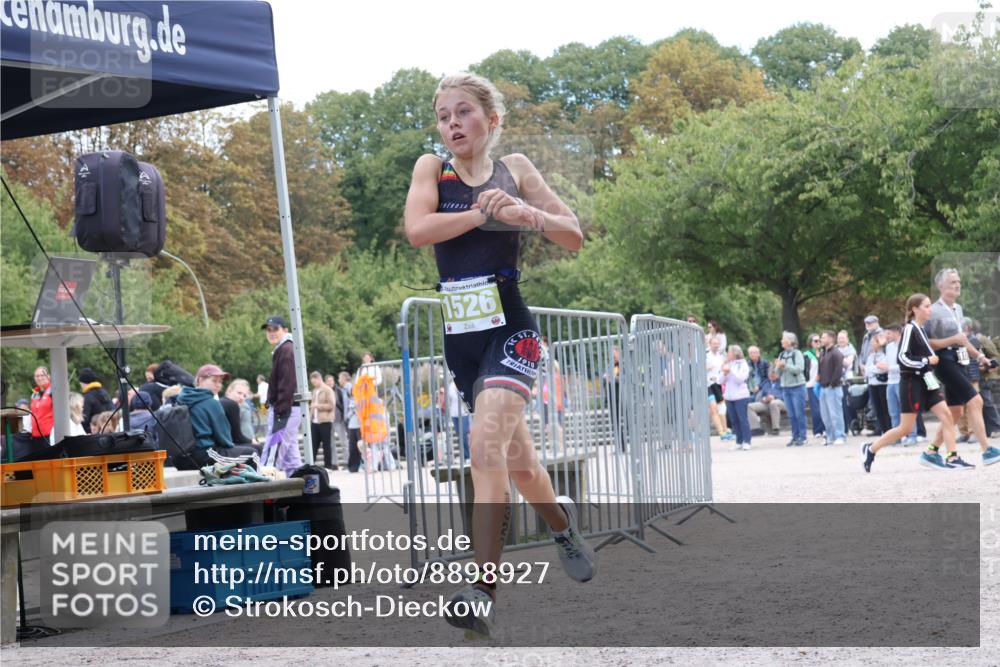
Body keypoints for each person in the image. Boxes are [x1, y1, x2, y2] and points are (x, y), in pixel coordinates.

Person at [404, 72, 594, 637]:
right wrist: (483, 214)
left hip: (513, 327)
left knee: (484, 448)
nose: (453, 123)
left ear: (491, 119)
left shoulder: (517, 169)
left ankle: (480, 590)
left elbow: (573, 235)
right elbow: (418, 229)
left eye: (463, 112)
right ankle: (561, 524)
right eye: (444, 116)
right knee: (521, 465)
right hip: (462, 337)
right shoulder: (430, 169)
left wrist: (526, 214)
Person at [862, 294, 968, 471]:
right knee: (905, 428)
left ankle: (951, 457)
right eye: (926, 306)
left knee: (947, 416)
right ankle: (871, 449)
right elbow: (902, 358)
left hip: (928, 381)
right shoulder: (910, 329)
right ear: (915, 309)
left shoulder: (921, 329)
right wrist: (927, 360)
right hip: (912, 383)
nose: (930, 309)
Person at [923, 269, 999, 467]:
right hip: (944, 361)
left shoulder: (958, 308)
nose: (957, 285)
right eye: (952, 282)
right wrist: (952, 340)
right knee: (976, 400)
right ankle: (987, 450)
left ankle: (931, 452)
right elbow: (927, 343)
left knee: (955, 412)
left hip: (959, 359)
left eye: (958, 281)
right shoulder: (933, 311)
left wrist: (981, 357)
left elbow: (962, 340)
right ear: (940, 286)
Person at [176, 364, 259, 468]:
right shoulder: (211, 402)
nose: (218, 385)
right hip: (205, 453)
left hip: (182, 457)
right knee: (253, 454)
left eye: (220, 382)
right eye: (214, 381)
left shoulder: (183, 398)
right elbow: (224, 439)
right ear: (200, 380)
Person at [260, 315, 304, 476]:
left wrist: (280, 408)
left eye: (275, 329)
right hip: (288, 409)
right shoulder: (285, 349)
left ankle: (262, 494)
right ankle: (305, 494)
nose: (271, 333)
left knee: (272, 454)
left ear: (285, 330)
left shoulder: (286, 349)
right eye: (268, 330)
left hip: (285, 410)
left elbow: (288, 382)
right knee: (291, 460)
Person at [775, 331, 807, 446]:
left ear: (790, 341)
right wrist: (778, 367)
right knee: (791, 414)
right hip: (785, 387)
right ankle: (795, 436)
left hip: (797, 386)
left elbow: (799, 369)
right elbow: (777, 373)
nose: (781, 341)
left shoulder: (797, 353)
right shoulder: (782, 354)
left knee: (799, 413)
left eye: (783, 339)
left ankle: (803, 437)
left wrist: (785, 366)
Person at [816, 331, 847, 445]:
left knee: (835, 414)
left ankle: (840, 435)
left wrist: (832, 383)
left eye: (823, 337)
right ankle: (830, 435)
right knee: (826, 415)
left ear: (831, 339)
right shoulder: (824, 353)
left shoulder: (836, 353)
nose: (821, 339)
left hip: (833, 387)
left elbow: (838, 369)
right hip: (823, 387)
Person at [721, 345, 752, 450]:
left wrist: (730, 371)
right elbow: (720, 381)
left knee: (742, 419)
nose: (727, 354)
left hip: (740, 396)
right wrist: (724, 373)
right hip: (729, 396)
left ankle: (747, 441)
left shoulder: (743, 364)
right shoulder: (728, 364)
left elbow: (740, 379)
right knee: (734, 420)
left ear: (735, 353)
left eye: (729, 352)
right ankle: (739, 441)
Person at [706, 335, 734, 440]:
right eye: (714, 343)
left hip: (718, 384)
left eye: (717, 343)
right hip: (708, 384)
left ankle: (726, 430)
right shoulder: (705, 355)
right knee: (713, 408)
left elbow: (723, 369)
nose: (716, 345)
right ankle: (721, 432)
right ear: (710, 344)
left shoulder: (720, 356)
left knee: (722, 408)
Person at [863, 332, 891, 436]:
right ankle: (883, 430)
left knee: (885, 409)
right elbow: (867, 370)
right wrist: (874, 368)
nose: (871, 344)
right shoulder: (871, 356)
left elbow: (883, 369)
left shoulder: (884, 354)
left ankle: (889, 430)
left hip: (882, 384)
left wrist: (873, 369)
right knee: (878, 409)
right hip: (872, 384)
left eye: (873, 342)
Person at [310, 370, 337, 469]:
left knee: (326, 444)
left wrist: (317, 406)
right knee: (313, 444)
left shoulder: (327, 390)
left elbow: (331, 405)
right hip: (315, 421)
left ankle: (328, 466)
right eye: (312, 383)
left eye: (315, 382)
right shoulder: (314, 391)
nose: (314, 384)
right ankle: (311, 465)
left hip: (325, 420)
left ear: (319, 379)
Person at [338, 372, 362, 472]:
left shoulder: (358, 398)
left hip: (358, 424)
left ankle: (361, 465)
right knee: (352, 446)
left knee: (360, 446)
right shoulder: (351, 397)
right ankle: (353, 466)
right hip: (352, 424)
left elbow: (355, 410)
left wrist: (347, 415)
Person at [803, 334, 826, 442]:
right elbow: (805, 370)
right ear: (810, 343)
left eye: (819, 341)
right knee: (815, 409)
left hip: (822, 383)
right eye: (815, 341)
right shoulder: (807, 355)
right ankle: (817, 430)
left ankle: (825, 428)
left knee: (824, 407)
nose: (818, 343)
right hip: (811, 384)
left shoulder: (823, 353)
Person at [78, 368, 114, 434]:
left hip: (95, 434)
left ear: (83, 383)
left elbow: (84, 420)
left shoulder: (87, 397)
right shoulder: (105, 393)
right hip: (109, 431)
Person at [225, 378, 257, 443]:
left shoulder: (243, 406)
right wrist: (252, 441)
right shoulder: (227, 406)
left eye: (244, 395)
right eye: (239, 393)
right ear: (229, 391)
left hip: (246, 441)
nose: (242, 397)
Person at [447, 379, 471, 459]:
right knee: (459, 435)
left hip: (463, 413)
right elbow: (449, 399)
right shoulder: (450, 385)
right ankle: (464, 456)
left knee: (464, 434)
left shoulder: (462, 383)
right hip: (454, 414)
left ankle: (467, 456)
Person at [29, 366, 53, 439]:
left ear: (48, 376)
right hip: (35, 435)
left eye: (42, 375)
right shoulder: (34, 394)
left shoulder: (54, 391)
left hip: (49, 434)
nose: (39, 378)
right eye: (37, 376)